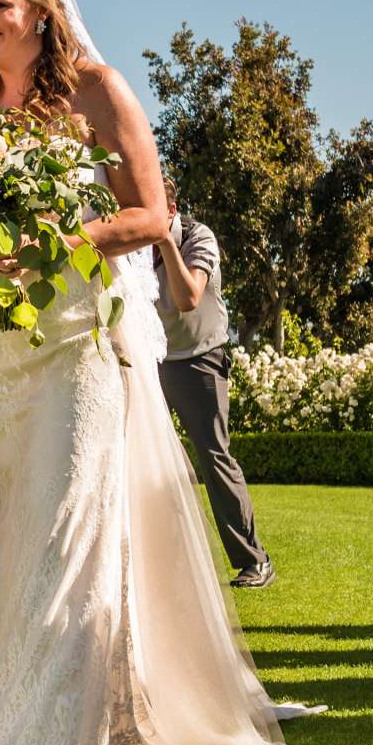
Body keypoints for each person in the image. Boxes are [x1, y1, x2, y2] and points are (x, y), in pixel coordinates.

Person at [0, 0, 285, 745]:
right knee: (5, 540)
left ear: (40, 9)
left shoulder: (98, 90)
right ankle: (36, 710)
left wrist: (59, 241)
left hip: (77, 343)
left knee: (66, 531)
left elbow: (153, 215)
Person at [151, 178, 271, 588]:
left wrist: (165, 242)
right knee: (146, 459)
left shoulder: (198, 237)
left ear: (171, 209)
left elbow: (187, 296)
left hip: (202, 358)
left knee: (214, 457)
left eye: (154, 206)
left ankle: (254, 560)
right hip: (154, 360)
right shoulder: (134, 249)